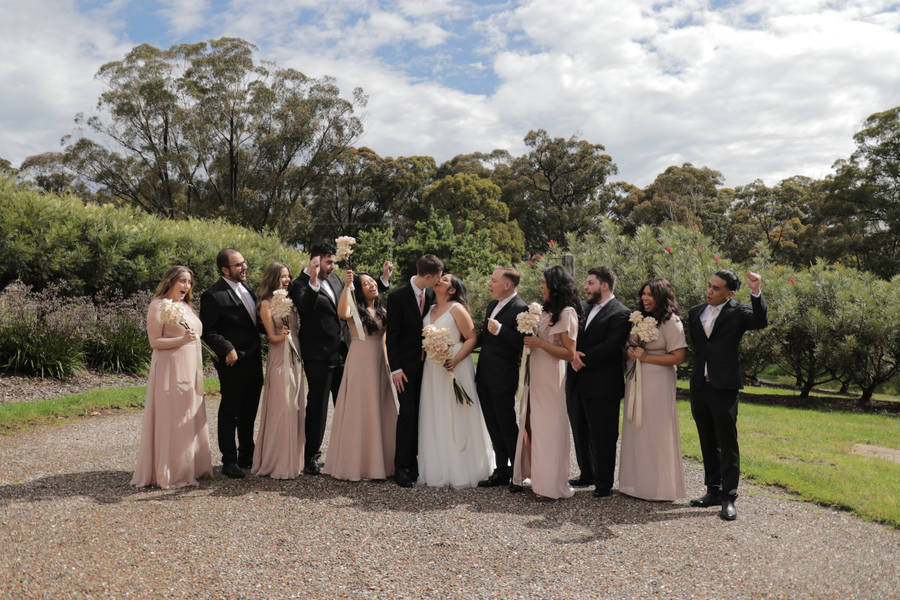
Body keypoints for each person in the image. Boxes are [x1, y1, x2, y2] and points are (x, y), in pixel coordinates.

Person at [688, 269, 767, 521]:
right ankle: (712, 490)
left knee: (727, 441)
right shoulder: (695, 312)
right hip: (700, 386)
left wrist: (756, 291)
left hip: (724, 387)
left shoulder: (738, 313)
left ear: (730, 293)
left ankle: (728, 497)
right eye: (709, 286)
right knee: (707, 439)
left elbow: (760, 321)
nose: (710, 291)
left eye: (716, 288)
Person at [132, 266, 212, 488]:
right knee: (172, 416)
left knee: (188, 414)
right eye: (182, 281)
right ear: (170, 282)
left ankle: (191, 465)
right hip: (169, 369)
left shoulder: (187, 307)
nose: (186, 286)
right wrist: (181, 340)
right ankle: (171, 471)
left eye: (189, 282)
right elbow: (154, 342)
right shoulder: (158, 306)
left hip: (190, 368)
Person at [511, 265, 581, 499]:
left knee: (549, 429)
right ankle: (539, 481)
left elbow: (569, 353)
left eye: (544, 282)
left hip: (552, 377)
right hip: (536, 375)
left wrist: (540, 344)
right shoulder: (546, 312)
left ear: (555, 285)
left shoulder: (567, 313)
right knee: (537, 427)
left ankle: (551, 485)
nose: (541, 286)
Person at [418, 274, 494, 488]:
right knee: (436, 412)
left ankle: (464, 465)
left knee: (457, 413)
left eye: (445, 280)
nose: (439, 280)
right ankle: (439, 465)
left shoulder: (456, 309)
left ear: (452, 290)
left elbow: (471, 338)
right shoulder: (430, 309)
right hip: (433, 368)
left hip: (456, 365)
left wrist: (454, 359)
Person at [324, 269, 397, 481]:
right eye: (366, 283)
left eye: (372, 281)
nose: (372, 285)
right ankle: (357, 463)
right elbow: (342, 312)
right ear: (359, 290)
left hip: (378, 363)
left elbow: (384, 340)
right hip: (359, 362)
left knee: (380, 409)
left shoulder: (383, 311)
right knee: (360, 410)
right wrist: (348, 286)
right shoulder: (354, 310)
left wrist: (388, 364)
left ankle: (381, 462)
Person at [618, 278, 687, 501]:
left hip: (658, 382)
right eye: (643, 294)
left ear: (661, 297)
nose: (645, 298)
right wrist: (631, 348)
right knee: (636, 429)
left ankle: (658, 487)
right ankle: (636, 484)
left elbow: (679, 356)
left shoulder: (671, 322)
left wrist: (646, 356)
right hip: (636, 379)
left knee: (654, 431)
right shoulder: (641, 319)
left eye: (650, 294)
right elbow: (631, 342)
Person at [565, 266, 631, 498]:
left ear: (604, 285)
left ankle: (604, 482)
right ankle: (587, 473)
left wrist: (583, 359)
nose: (586, 287)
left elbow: (612, 346)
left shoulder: (621, 313)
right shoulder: (581, 308)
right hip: (576, 379)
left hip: (603, 383)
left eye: (590, 283)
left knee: (602, 434)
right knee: (579, 428)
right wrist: (571, 355)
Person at [200, 249, 264, 479]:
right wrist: (227, 348)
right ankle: (229, 460)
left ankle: (247, 453)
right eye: (238, 265)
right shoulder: (212, 295)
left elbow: (253, 323)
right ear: (224, 269)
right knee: (231, 412)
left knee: (249, 411)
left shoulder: (248, 288)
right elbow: (208, 331)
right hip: (233, 363)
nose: (244, 267)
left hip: (254, 360)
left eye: (244, 263)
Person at [289, 242, 347, 475]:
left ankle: (344, 454)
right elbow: (304, 306)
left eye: (334, 262)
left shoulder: (336, 280)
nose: (332, 267)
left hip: (342, 352)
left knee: (344, 405)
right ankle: (311, 456)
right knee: (318, 406)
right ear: (315, 261)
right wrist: (313, 280)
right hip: (318, 355)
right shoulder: (299, 285)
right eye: (328, 262)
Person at [386, 254, 444, 487]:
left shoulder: (432, 294)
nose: (440, 281)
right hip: (405, 369)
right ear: (428, 276)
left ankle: (419, 464)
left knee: (424, 415)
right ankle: (402, 467)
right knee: (408, 414)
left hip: (429, 367)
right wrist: (396, 369)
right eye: (438, 277)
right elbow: (392, 337)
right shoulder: (397, 297)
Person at [475, 267, 528, 488]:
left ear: (507, 284)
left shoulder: (521, 309)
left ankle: (518, 473)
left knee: (506, 424)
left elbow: (523, 344)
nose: (490, 283)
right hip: (485, 374)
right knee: (492, 424)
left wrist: (501, 331)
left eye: (494, 280)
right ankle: (502, 471)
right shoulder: (491, 305)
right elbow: (484, 338)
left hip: (504, 376)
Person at [251, 262, 305, 479]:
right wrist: (283, 335)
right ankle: (276, 461)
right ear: (273, 278)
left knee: (296, 407)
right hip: (279, 360)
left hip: (295, 358)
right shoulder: (265, 304)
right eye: (283, 276)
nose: (287, 280)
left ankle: (294, 460)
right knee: (281, 408)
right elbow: (271, 337)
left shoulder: (290, 303)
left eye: (288, 276)